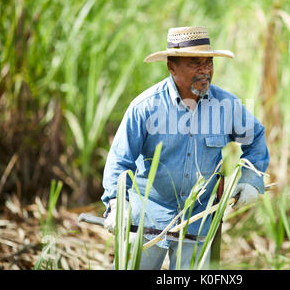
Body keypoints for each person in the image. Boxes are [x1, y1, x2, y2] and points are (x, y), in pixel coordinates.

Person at [101, 26, 270, 270]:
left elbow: (256, 138)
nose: (205, 70)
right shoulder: (145, 107)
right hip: (146, 224)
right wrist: (117, 203)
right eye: (195, 63)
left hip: (198, 223)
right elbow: (120, 159)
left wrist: (250, 178)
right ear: (172, 67)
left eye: (208, 62)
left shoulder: (226, 105)